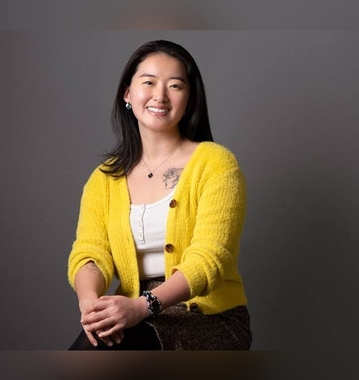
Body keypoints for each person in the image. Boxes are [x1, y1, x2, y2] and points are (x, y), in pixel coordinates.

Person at [67, 39, 251, 350]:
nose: (160, 95)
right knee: (95, 344)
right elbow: (90, 253)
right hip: (134, 310)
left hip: (207, 314)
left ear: (190, 98)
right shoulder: (104, 179)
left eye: (175, 85)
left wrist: (142, 306)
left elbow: (210, 258)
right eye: (148, 82)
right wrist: (91, 306)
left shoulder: (216, 163)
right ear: (128, 93)